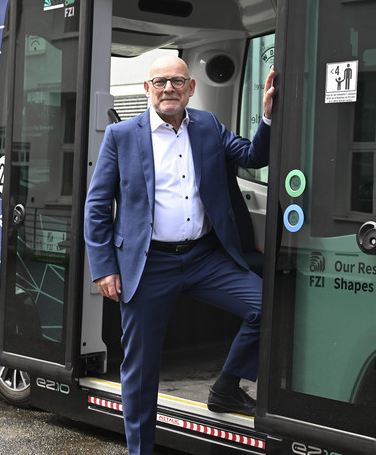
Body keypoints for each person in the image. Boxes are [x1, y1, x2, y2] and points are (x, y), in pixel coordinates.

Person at [83, 54, 274, 455]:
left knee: (266, 306)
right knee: (141, 368)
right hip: (149, 262)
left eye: (176, 81)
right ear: (147, 89)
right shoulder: (121, 137)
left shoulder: (207, 125)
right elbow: (97, 206)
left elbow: (255, 158)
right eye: (159, 82)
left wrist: (269, 119)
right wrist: (104, 268)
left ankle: (226, 386)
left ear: (190, 88)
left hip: (205, 257)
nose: (168, 88)